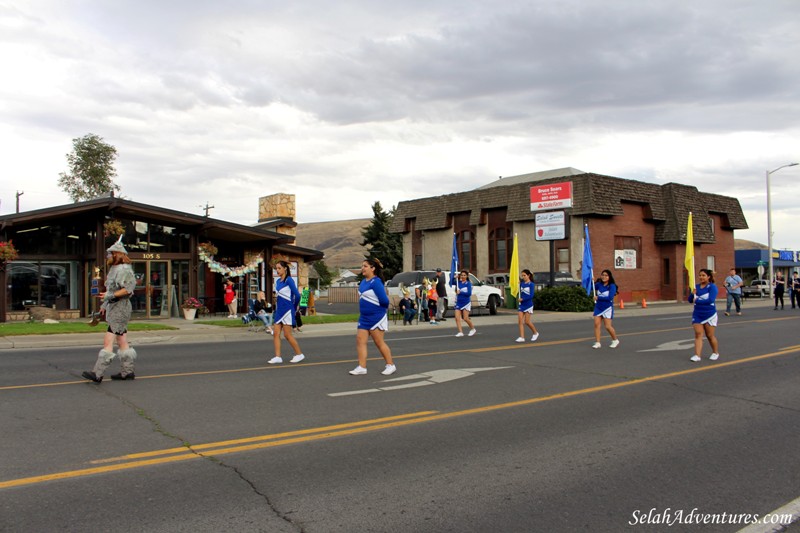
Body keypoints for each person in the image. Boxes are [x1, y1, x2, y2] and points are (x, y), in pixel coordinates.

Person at [82, 236, 138, 382]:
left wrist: (110, 296)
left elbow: (128, 289)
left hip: (121, 308)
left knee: (108, 340)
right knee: (122, 340)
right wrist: (104, 305)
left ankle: (97, 373)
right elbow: (111, 290)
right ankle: (128, 371)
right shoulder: (114, 269)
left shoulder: (124, 269)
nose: (107, 256)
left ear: (117, 254)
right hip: (115, 306)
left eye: (110, 253)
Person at [350, 258, 396, 376]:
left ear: (373, 268)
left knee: (379, 342)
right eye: (362, 266)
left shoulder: (376, 282)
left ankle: (390, 365)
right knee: (360, 340)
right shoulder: (364, 281)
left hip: (376, 317)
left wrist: (378, 311)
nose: (362, 268)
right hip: (364, 317)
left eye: (365, 266)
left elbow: (384, 301)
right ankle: (362, 367)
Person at [268, 261, 305, 364]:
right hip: (279, 310)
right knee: (276, 333)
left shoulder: (289, 280)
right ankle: (278, 357)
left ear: (285, 268)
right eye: (276, 269)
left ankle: (299, 354)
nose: (277, 270)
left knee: (287, 335)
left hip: (288, 310)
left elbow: (297, 295)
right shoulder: (278, 281)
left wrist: (293, 308)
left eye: (279, 268)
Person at [688, 268, 720, 362]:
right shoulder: (696, 287)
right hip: (697, 314)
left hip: (709, 314)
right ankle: (697, 355)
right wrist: (692, 293)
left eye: (703, 275)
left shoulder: (712, 287)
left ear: (708, 277)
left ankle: (715, 352)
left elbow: (710, 300)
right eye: (700, 275)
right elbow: (690, 300)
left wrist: (697, 300)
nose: (701, 277)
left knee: (710, 335)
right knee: (698, 334)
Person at [592, 269, 620, 349]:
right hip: (598, 307)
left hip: (607, 308)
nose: (604, 277)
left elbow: (610, 297)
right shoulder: (599, 284)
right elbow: (591, 288)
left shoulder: (612, 286)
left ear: (609, 277)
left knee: (607, 326)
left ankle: (615, 340)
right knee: (596, 324)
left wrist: (598, 297)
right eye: (602, 275)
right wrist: (592, 281)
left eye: (606, 275)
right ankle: (597, 342)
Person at [516, 269, 540, 343]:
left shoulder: (531, 284)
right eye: (522, 275)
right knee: (520, 321)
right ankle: (522, 337)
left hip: (528, 304)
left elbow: (531, 295)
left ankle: (535, 333)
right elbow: (520, 292)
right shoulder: (522, 284)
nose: (523, 277)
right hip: (522, 305)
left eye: (524, 275)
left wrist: (522, 299)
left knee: (527, 322)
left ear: (528, 275)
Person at [453, 270, 477, 337]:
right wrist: (455, 277)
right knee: (457, 318)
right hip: (459, 302)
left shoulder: (468, 283)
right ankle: (460, 332)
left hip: (466, 302)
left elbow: (469, 293)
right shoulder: (458, 282)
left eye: (464, 275)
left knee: (465, 318)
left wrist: (460, 292)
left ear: (466, 276)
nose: (463, 276)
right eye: (462, 275)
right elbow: (451, 282)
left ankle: (473, 329)